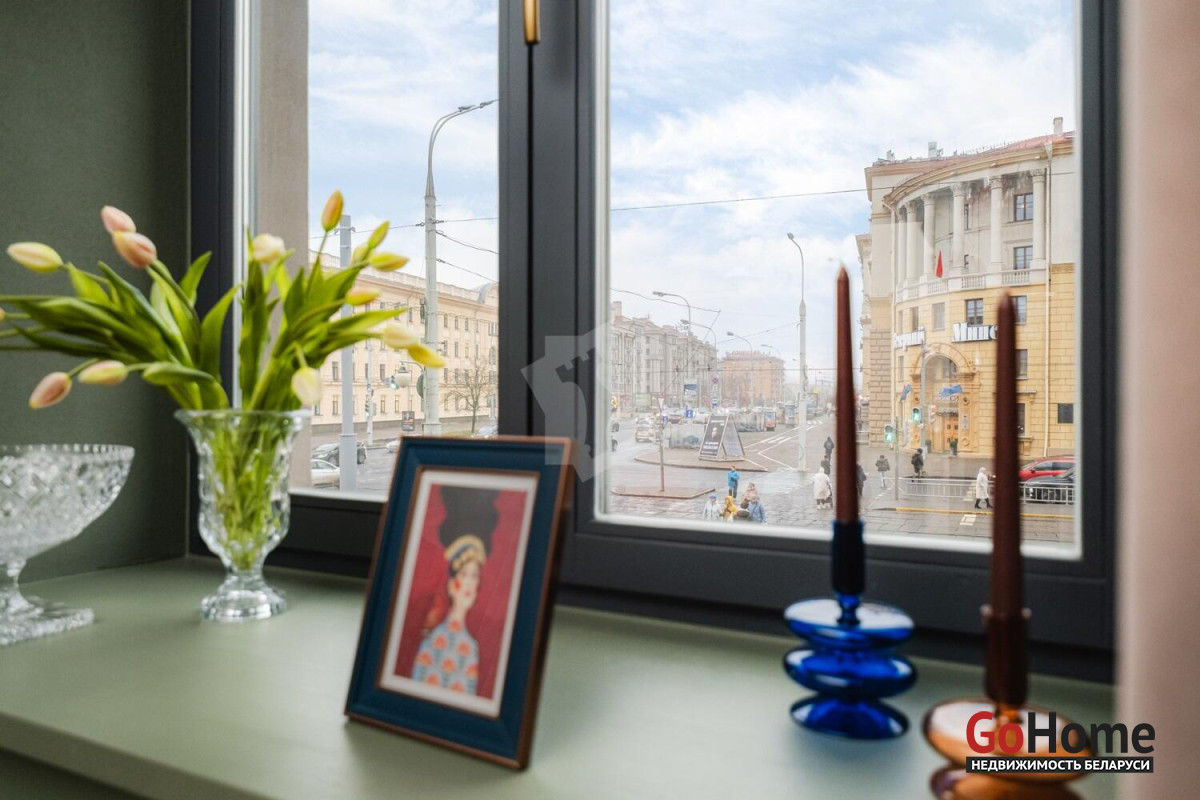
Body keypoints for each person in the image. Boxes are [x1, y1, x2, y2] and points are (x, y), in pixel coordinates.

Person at [411, 487, 496, 695]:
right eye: (463, 575)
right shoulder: (433, 641)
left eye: (474, 576)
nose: (468, 584)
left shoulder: (471, 649)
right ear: (450, 584)